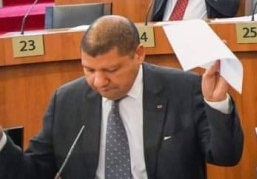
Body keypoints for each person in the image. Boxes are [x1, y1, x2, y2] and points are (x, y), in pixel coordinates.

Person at [0, 15, 244, 178]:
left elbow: (226, 157)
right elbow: (32, 173)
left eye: (111, 70)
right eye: (89, 69)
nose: (99, 82)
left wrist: (216, 104)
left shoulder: (183, 89)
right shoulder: (66, 101)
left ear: (139, 54)